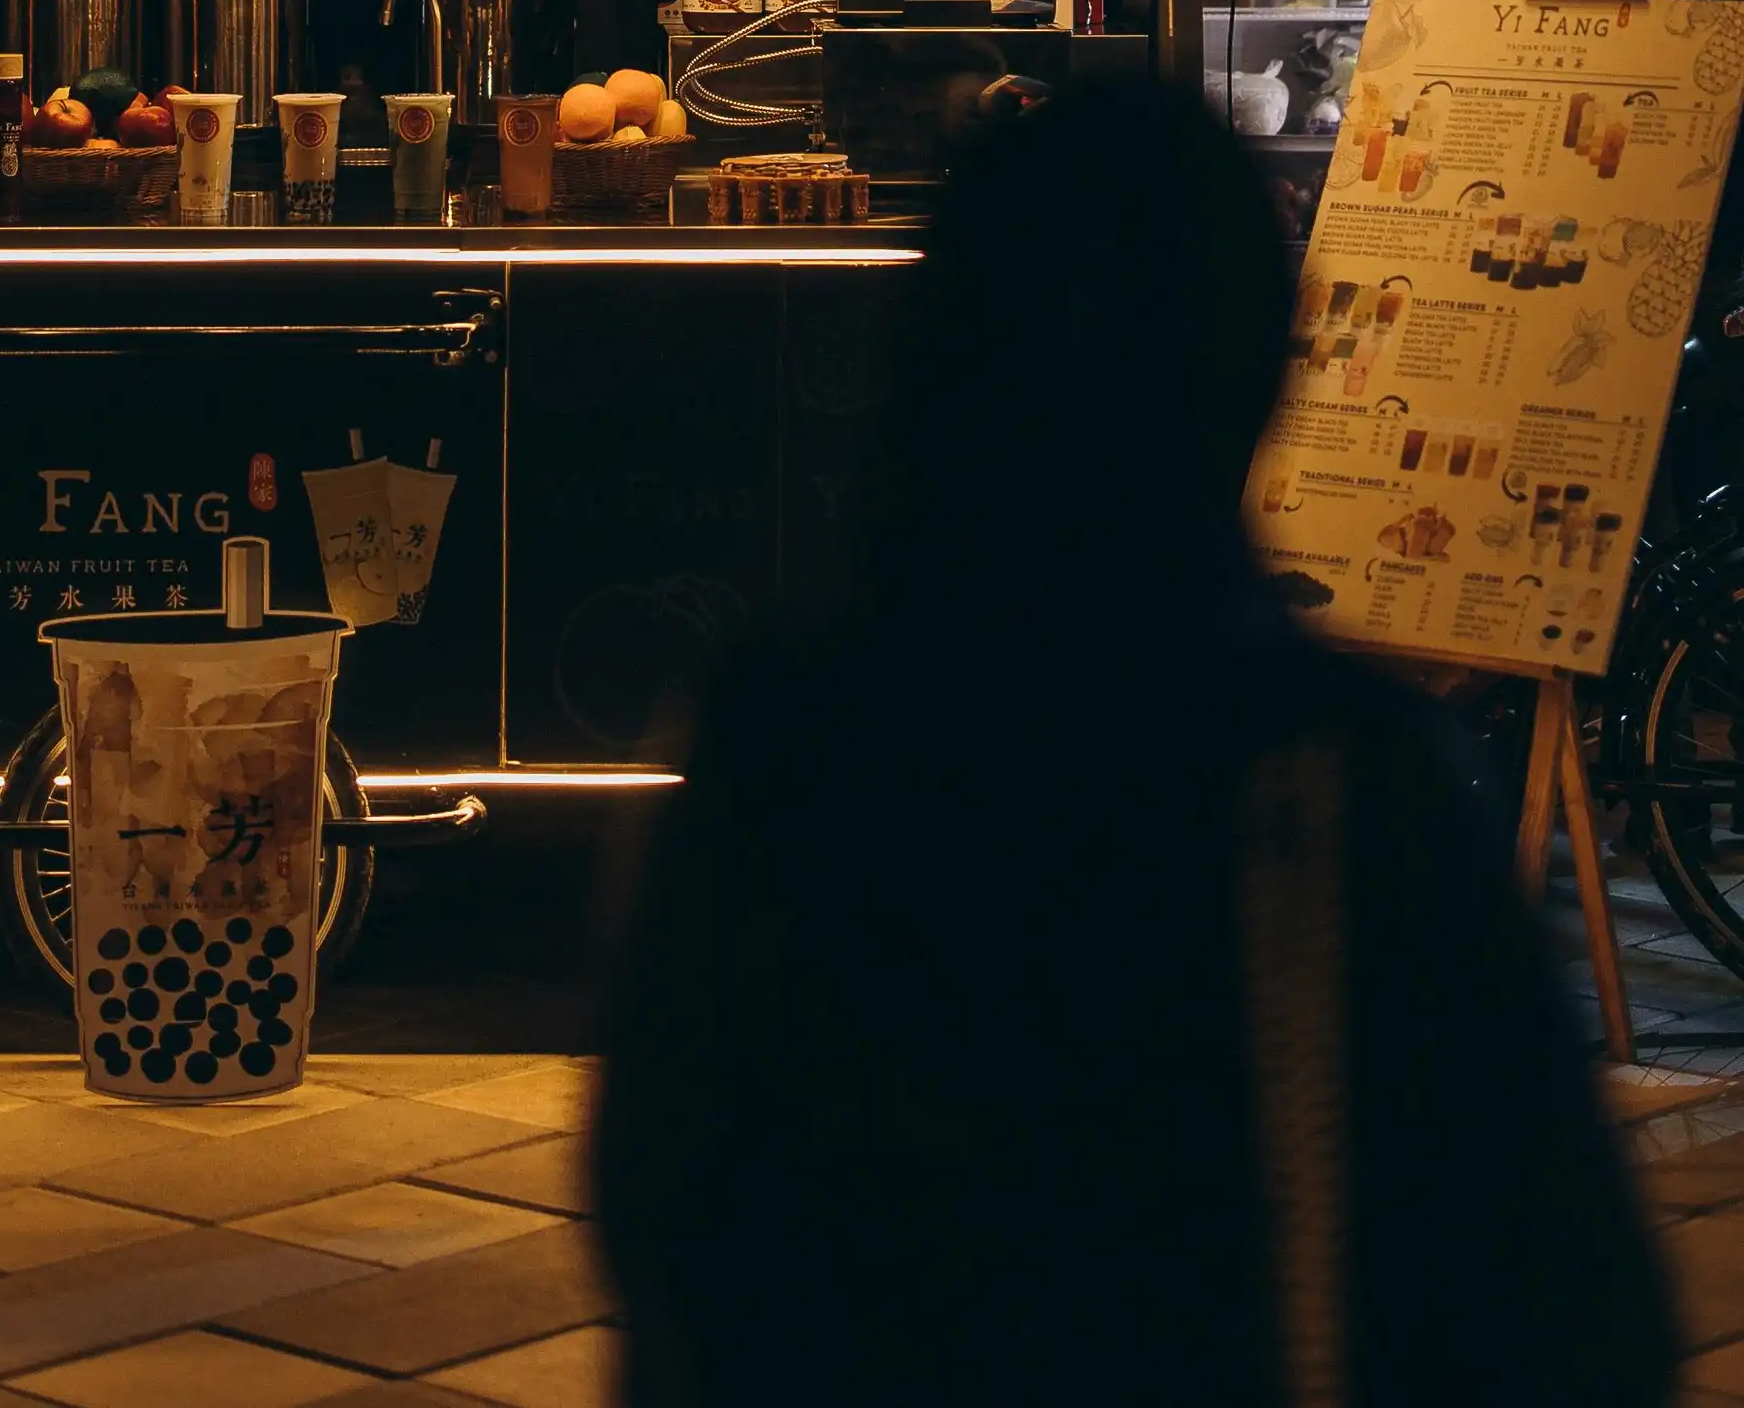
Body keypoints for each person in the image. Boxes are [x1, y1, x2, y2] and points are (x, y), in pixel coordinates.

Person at [594, 82, 1674, 1408]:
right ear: (1253, 370)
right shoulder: (1347, 787)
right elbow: (1569, 1305)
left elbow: (667, 1218)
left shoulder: (776, 739)